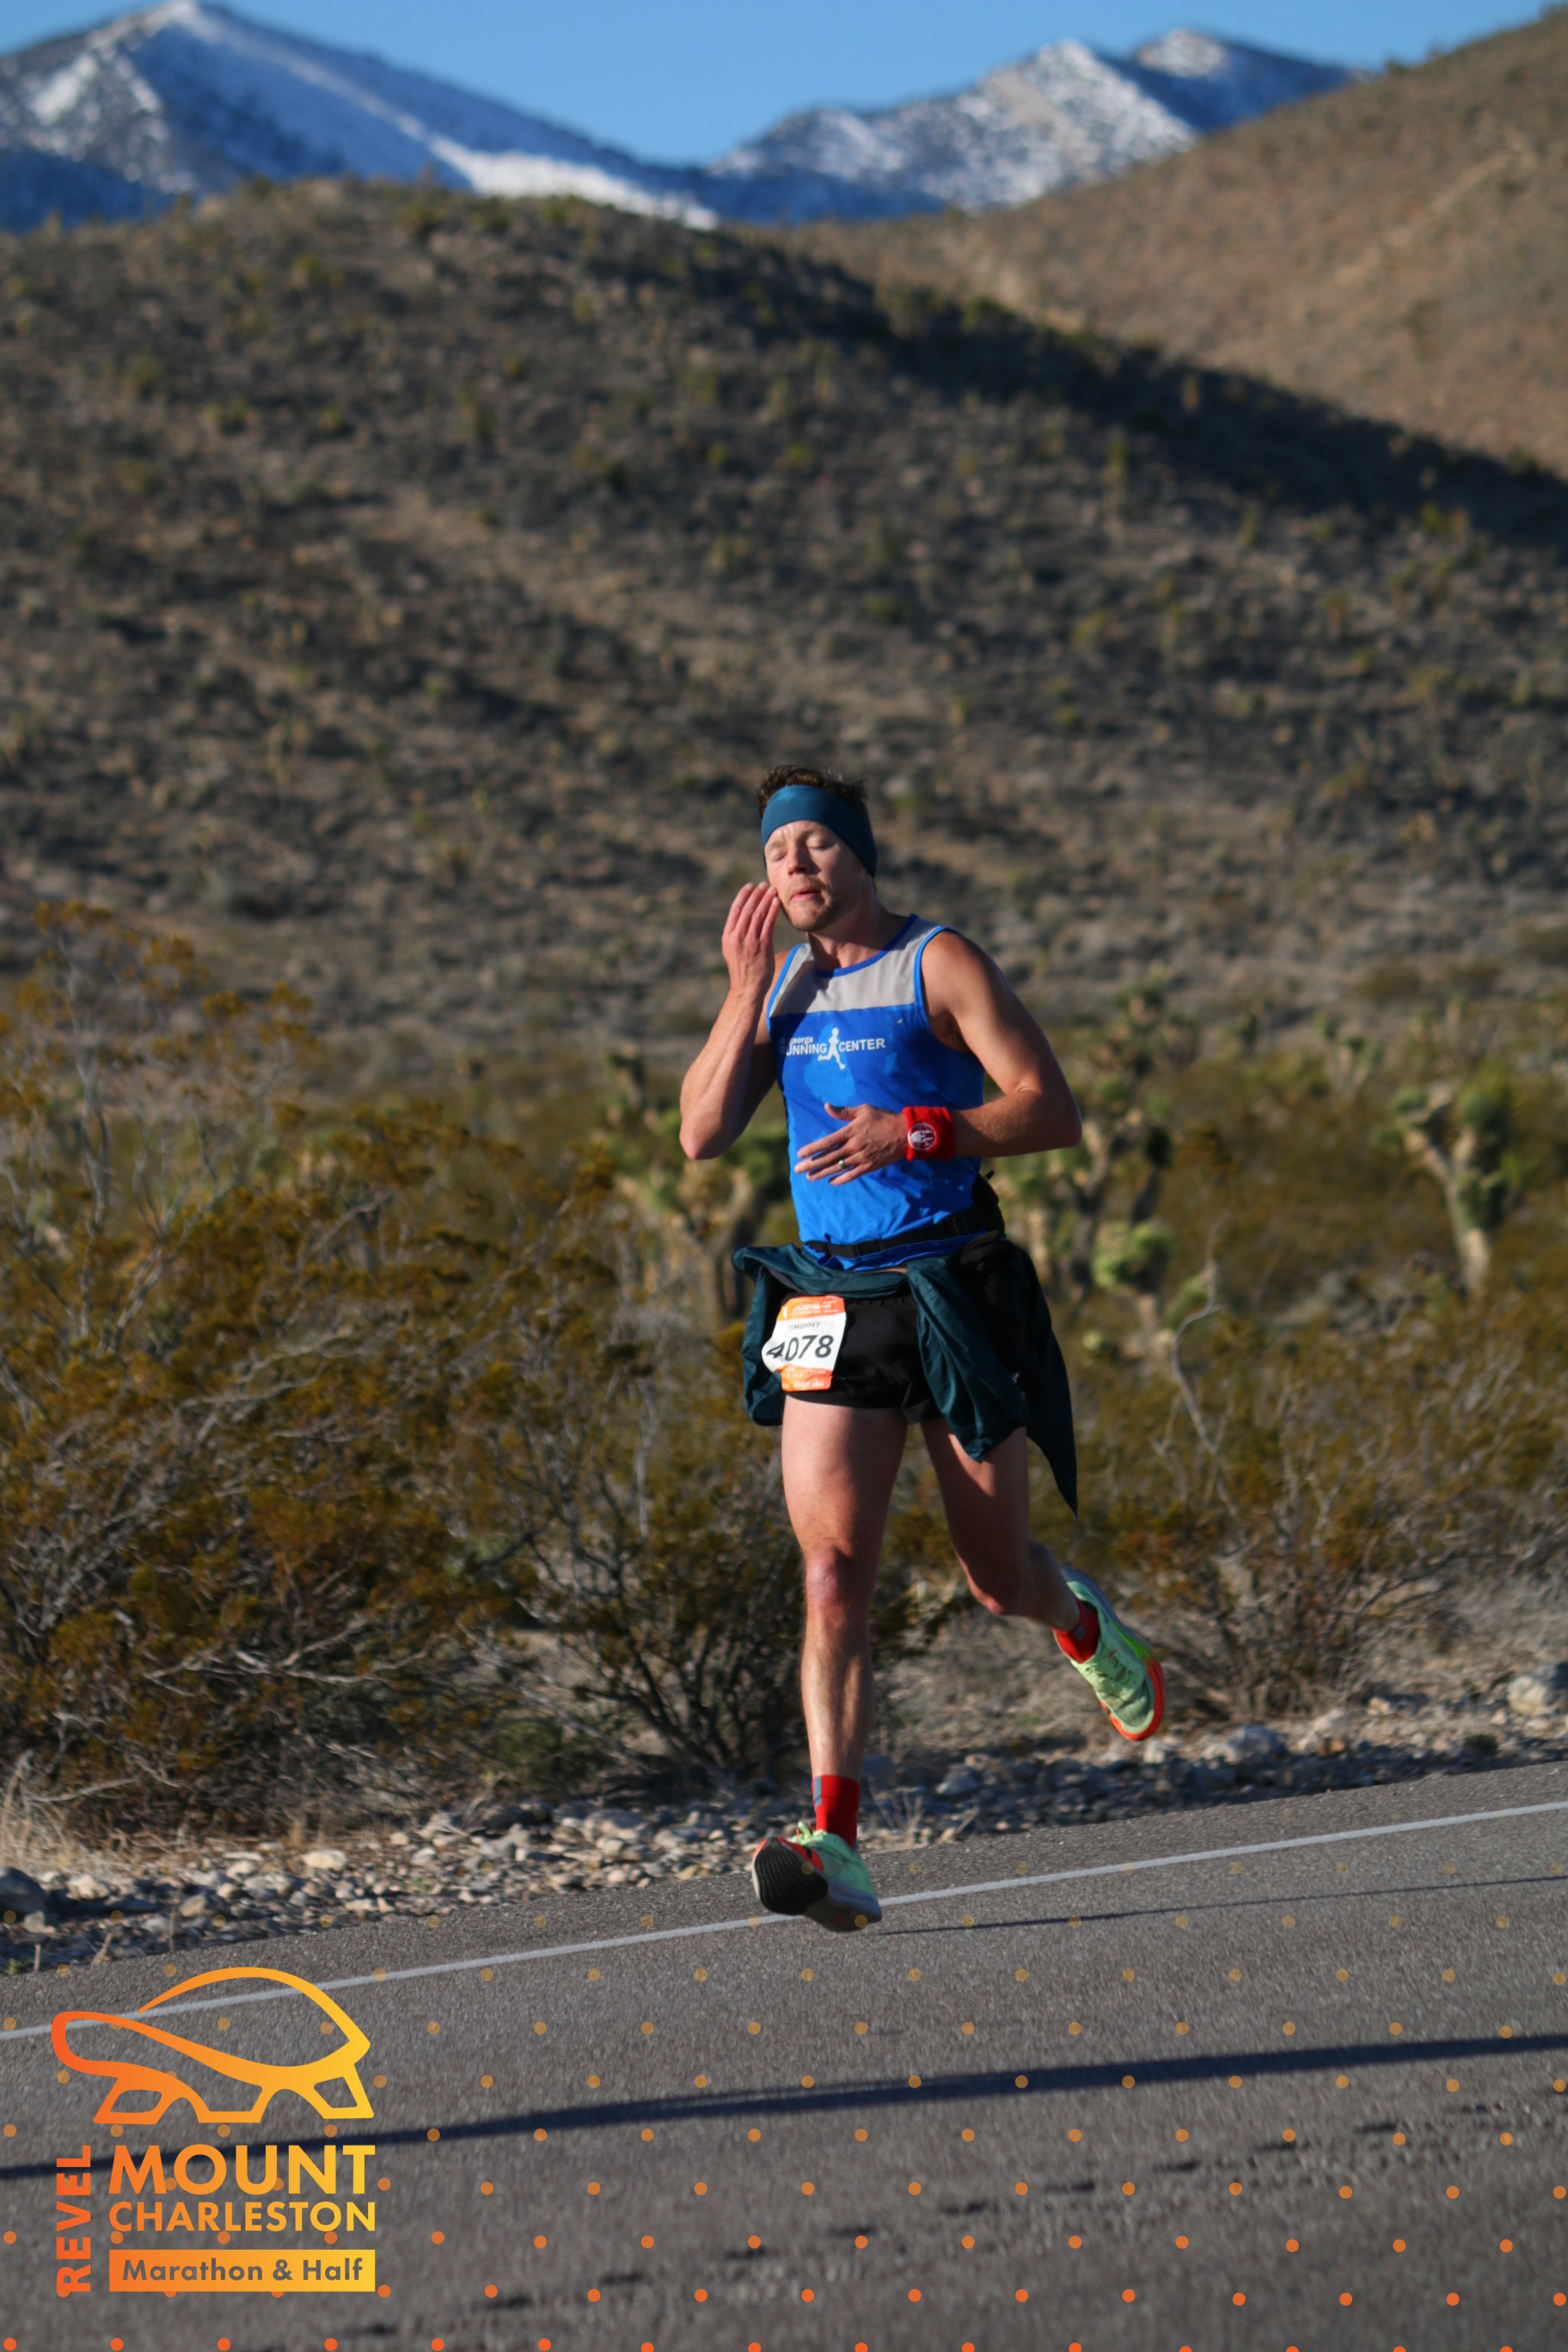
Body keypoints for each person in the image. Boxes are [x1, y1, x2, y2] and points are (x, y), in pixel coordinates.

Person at [679, 767, 1163, 1934]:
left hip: (952, 1286)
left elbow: (1050, 1108)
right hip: (831, 1295)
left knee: (996, 1580)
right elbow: (700, 1133)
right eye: (777, 850)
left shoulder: (936, 962)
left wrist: (919, 1129)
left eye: (815, 843)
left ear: (860, 854)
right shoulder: (781, 989)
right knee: (831, 1570)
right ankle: (836, 1841)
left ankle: (1079, 1620)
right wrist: (743, 992)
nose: (795, 864)